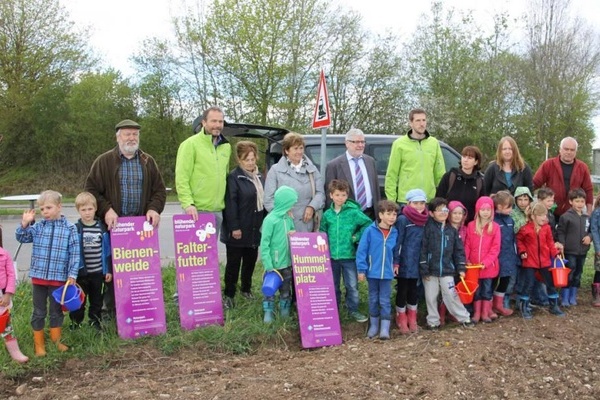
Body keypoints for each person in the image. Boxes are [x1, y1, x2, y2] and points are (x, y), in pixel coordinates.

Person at [85, 119, 167, 319]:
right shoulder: (104, 161)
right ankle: (110, 312)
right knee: (114, 270)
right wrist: (106, 210)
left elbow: (159, 191)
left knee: (140, 269)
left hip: (141, 228)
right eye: (127, 134)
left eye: (135, 134)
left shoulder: (148, 161)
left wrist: (154, 209)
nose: (132, 138)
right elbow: (91, 190)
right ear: (118, 137)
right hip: (115, 227)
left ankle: (140, 310)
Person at [16, 190, 80, 356]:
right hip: (39, 278)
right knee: (38, 311)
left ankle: (56, 340)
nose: (45, 212)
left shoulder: (70, 228)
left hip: (59, 279)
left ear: (59, 207)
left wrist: (72, 274)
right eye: (42, 209)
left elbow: (75, 253)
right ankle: (39, 345)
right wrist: (24, 224)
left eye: (48, 208)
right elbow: (21, 238)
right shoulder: (38, 227)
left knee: (56, 311)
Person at [220, 141, 266, 309]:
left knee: (250, 262)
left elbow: (265, 202)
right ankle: (229, 294)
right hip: (238, 229)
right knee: (233, 264)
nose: (251, 162)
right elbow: (230, 204)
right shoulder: (234, 177)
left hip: (255, 229)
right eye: (247, 159)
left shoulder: (260, 177)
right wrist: (234, 227)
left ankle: (246, 289)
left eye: (253, 159)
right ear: (239, 159)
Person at [319, 180, 371, 322]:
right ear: (331, 195)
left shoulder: (354, 213)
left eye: (343, 195)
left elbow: (368, 224)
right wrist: (323, 247)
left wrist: (356, 237)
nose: (340, 198)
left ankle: (352, 310)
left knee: (352, 285)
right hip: (332, 257)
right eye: (337, 195)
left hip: (349, 256)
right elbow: (322, 232)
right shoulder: (327, 215)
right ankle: (333, 310)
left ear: (347, 196)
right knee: (333, 284)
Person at [419, 198, 474, 330]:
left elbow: (459, 251)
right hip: (430, 271)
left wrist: (461, 267)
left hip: (448, 270)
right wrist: (424, 268)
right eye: (439, 210)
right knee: (431, 296)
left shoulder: (452, 231)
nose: (443, 213)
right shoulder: (427, 229)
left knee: (451, 295)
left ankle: (464, 318)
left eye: (445, 210)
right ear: (431, 213)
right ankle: (433, 321)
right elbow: (423, 249)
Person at [176, 106, 232, 232]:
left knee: (211, 251)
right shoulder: (190, 145)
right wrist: (188, 204)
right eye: (213, 121)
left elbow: (225, 175)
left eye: (220, 121)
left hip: (217, 210)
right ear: (204, 122)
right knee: (194, 251)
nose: (217, 125)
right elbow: (182, 177)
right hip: (196, 210)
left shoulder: (226, 146)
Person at [264, 132, 325, 232]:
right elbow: (268, 199)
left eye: (301, 148)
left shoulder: (312, 170)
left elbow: (320, 193)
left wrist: (312, 207)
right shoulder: (275, 170)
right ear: (286, 151)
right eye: (295, 148)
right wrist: (282, 212)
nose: (299, 152)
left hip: (306, 226)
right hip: (282, 226)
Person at [69, 192, 112, 330]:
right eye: (83, 210)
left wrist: (108, 270)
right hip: (81, 274)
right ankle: (76, 323)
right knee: (79, 301)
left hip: (98, 272)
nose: (87, 213)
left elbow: (107, 252)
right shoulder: (75, 229)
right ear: (78, 211)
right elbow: (71, 252)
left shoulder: (101, 228)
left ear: (95, 209)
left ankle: (95, 321)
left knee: (96, 300)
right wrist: (72, 273)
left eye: (90, 209)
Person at [357, 200, 399, 340]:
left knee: (385, 300)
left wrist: (396, 265)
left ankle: (385, 328)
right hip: (372, 272)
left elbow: (397, 252)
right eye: (389, 214)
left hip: (387, 274)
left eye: (394, 214)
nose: (392, 217)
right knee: (373, 299)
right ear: (381, 215)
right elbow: (362, 251)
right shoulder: (370, 231)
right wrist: (362, 270)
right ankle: (374, 325)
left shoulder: (395, 232)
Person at [385, 108, 445, 204]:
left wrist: (441, 199)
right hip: (406, 201)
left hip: (428, 200)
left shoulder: (434, 143)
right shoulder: (399, 144)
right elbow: (392, 174)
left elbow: (440, 173)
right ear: (411, 123)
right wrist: (391, 201)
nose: (421, 124)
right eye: (418, 120)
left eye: (424, 120)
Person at [516, 202, 564, 319]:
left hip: (544, 261)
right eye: (541, 215)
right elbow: (519, 241)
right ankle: (524, 307)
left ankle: (554, 306)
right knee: (529, 284)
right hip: (530, 262)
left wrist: (555, 253)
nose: (544, 218)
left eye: (545, 215)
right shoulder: (525, 229)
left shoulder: (546, 228)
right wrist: (522, 251)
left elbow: (550, 243)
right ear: (533, 216)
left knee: (550, 283)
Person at [260, 186, 298, 324]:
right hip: (273, 267)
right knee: (269, 290)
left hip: (286, 264)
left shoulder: (288, 218)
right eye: (292, 203)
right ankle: (268, 312)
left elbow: (292, 231)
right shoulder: (270, 220)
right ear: (284, 202)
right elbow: (265, 244)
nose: (293, 206)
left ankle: (284, 311)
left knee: (285, 290)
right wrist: (268, 264)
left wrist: (293, 232)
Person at [393, 189, 428, 334]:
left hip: (418, 261)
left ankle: (412, 316)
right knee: (402, 289)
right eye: (415, 203)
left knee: (414, 289)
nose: (419, 206)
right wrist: (396, 262)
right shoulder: (403, 219)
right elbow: (398, 242)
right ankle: (400, 316)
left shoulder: (426, 219)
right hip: (405, 261)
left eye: (422, 203)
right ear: (408, 203)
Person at [325, 128, 380, 220]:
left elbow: (376, 189)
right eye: (357, 142)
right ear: (347, 143)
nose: (361, 145)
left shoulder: (370, 161)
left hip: (369, 215)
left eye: (363, 142)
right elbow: (329, 194)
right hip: (345, 216)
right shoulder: (334, 165)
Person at [533, 137, 593, 218]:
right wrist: (527, 203)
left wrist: (589, 213)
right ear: (560, 150)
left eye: (572, 150)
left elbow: (588, 190)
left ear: (576, 152)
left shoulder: (582, 167)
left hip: (574, 214)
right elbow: (535, 183)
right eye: (566, 149)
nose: (569, 152)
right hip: (550, 212)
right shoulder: (548, 165)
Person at [464, 197, 501, 323]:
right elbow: (467, 244)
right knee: (477, 290)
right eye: (483, 209)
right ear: (477, 210)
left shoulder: (495, 227)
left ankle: (485, 313)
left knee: (486, 290)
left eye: (488, 209)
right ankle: (477, 313)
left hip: (488, 267)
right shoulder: (471, 225)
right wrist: (467, 259)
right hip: (473, 267)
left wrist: (485, 262)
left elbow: (495, 248)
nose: (485, 212)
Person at [556, 188, 591, 307]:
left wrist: (589, 237)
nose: (580, 204)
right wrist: (562, 245)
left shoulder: (586, 217)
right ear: (571, 202)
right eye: (577, 201)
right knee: (569, 273)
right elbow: (560, 232)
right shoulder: (566, 217)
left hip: (582, 251)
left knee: (578, 273)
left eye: (582, 201)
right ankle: (564, 296)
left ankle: (573, 296)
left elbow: (590, 231)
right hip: (570, 251)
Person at [435, 145, 485, 223]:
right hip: (448, 224)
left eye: (470, 158)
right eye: (464, 156)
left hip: (469, 226)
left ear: (476, 162)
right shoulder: (450, 176)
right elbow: (439, 200)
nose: (466, 160)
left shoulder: (480, 181)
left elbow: (482, 206)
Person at [491, 191, 518, 317]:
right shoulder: (493, 220)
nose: (511, 209)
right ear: (500, 206)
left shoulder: (510, 220)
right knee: (492, 281)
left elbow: (513, 238)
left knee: (505, 280)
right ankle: (489, 305)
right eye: (509, 207)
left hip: (509, 255)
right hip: (496, 256)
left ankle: (498, 304)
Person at [0, 246, 28, 363]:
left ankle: (15, 352)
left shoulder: (4, 254)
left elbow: (11, 275)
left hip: (2, 296)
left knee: (6, 324)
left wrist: (8, 294)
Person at [588, 193, 600, 307]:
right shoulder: (597, 213)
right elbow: (594, 231)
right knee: (599, 270)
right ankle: (597, 294)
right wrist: (598, 248)